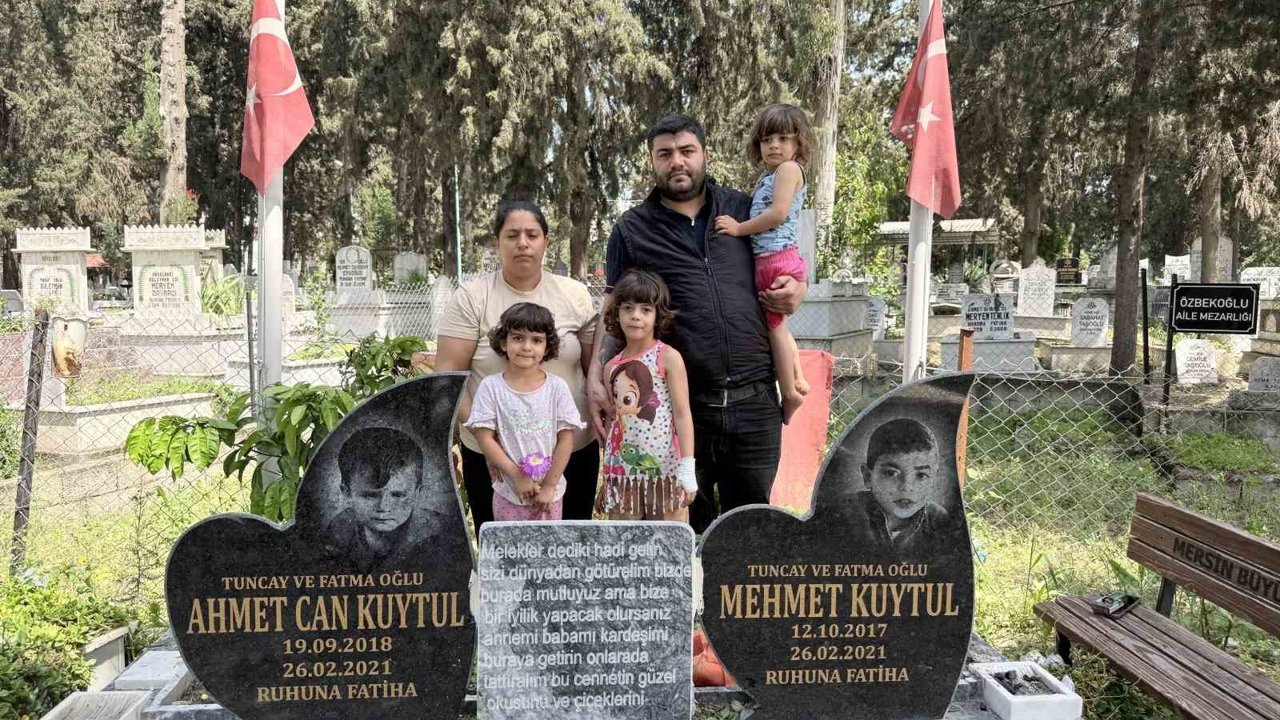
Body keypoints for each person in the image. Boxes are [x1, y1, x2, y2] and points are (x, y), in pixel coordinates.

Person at [588, 115, 808, 534]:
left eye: (687, 151)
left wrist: (799, 286)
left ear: (704, 154)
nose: (677, 161)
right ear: (652, 161)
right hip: (682, 411)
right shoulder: (632, 230)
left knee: (751, 531)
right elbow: (613, 308)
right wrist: (595, 378)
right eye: (665, 154)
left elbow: (783, 254)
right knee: (687, 532)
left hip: (755, 404)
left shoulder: (744, 209)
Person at [436, 201, 600, 532]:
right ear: (496, 242)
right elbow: (448, 378)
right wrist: (492, 443)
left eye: (532, 235)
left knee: (571, 552)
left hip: (571, 453)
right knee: (505, 554)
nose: (522, 243)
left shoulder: (575, 295)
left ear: (546, 242)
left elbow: (591, 370)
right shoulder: (472, 298)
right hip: (495, 458)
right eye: (512, 235)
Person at [714, 103, 813, 423]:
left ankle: (790, 393)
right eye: (767, 139)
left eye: (783, 138)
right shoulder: (768, 176)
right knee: (778, 325)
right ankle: (798, 377)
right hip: (772, 258)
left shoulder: (789, 170)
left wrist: (738, 229)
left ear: (798, 143)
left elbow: (778, 213)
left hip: (775, 259)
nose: (774, 145)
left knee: (775, 330)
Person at [463, 303, 584, 520]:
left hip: (550, 496)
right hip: (508, 492)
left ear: (547, 347)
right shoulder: (491, 387)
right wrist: (517, 476)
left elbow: (566, 440)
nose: (527, 347)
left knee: (549, 542)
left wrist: (549, 486)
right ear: (504, 342)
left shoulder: (557, 388)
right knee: (508, 542)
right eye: (518, 338)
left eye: (536, 340)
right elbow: (484, 437)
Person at [597, 270, 697, 521]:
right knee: (625, 541)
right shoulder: (611, 366)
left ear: (657, 315)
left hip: (665, 473)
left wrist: (688, 467)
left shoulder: (668, 357)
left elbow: (682, 414)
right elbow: (615, 422)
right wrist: (607, 475)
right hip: (623, 475)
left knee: (669, 539)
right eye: (628, 308)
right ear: (616, 313)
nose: (635, 316)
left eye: (645, 309)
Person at [323, 426, 429, 573]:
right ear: (346, 493)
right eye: (370, 495)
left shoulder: (444, 535)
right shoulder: (335, 535)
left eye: (398, 495)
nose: (383, 507)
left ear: (417, 492)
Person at [856, 418, 953, 558]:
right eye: (891, 473)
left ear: (934, 479)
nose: (906, 487)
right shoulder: (842, 515)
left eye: (921, 475)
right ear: (867, 476)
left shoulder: (939, 520)